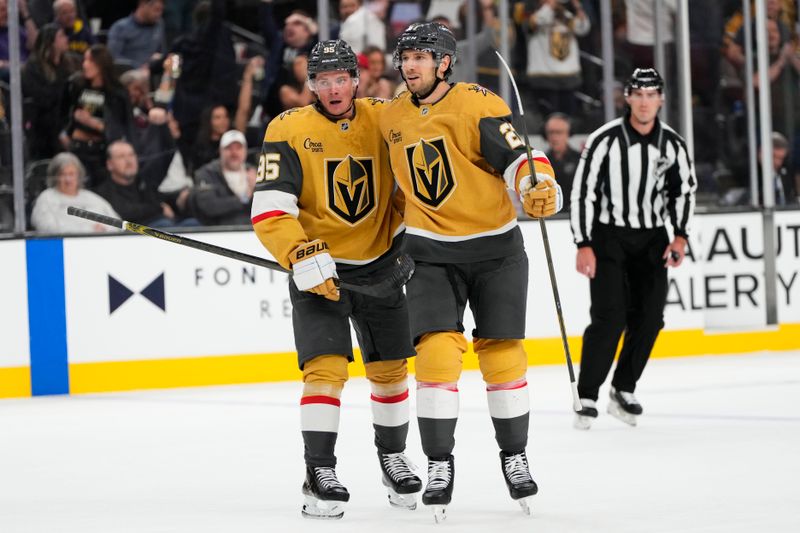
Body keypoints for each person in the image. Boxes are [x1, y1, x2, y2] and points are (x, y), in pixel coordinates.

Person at [379, 22, 561, 520]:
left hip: (495, 250)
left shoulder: (478, 103)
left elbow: (520, 156)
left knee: (503, 355)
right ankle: (440, 465)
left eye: (421, 56)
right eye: (406, 56)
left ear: (444, 63)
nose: (410, 65)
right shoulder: (390, 115)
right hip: (430, 251)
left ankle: (515, 457)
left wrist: (537, 185)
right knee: (436, 355)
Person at [251, 39, 421, 520]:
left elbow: (411, 188)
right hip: (318, 270)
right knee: (325, 370)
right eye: (322, 80)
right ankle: (318, 470)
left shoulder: (384, 117)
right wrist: (299, 252)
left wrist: (413, 243)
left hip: (381, 266)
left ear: (356, 79)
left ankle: (392, 457)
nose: (332, 88)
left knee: (390, 372)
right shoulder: (286, 129)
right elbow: (270, 208)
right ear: (310, 85)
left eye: (340, 78)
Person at [570, 68, 697, 430]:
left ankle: (624, 388)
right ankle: (588, 393)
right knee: (610, 316)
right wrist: (584, 243)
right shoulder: (604, 140)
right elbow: (583, 193)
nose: (644, 102)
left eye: (651, 94)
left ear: (661, 99)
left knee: (651, 317)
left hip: (653, 239)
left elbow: (682, 192)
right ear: (627, 97)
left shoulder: (672, 144)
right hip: (608, 237)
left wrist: (680, 236)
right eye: (637, 94)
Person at [31, 151, 119, 233]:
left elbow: (118, 224)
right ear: (55, 176)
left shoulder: (93, 198)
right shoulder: (46, 198)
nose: (68, 179)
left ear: (79, 176)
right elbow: (45, 227)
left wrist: (105, 229)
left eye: (71, 174)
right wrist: (88, 230)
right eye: (63, 174)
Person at [191, 129, 255, 226]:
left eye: (238, 148)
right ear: (220, 150)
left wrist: (256, 189)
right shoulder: (206, 173)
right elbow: (209, 206)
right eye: (229, 148)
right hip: (218, 231)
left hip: (251, 231)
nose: (234, 153)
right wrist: (243, 199)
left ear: (245, 150)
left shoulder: (255, 173)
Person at [543, 112, 580, 211]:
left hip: (574, 214)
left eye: (559, 132)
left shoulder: (580, 160)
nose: (554, 137)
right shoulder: (541, 162)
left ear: (569, 133)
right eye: (551, 132)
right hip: (550, 216)